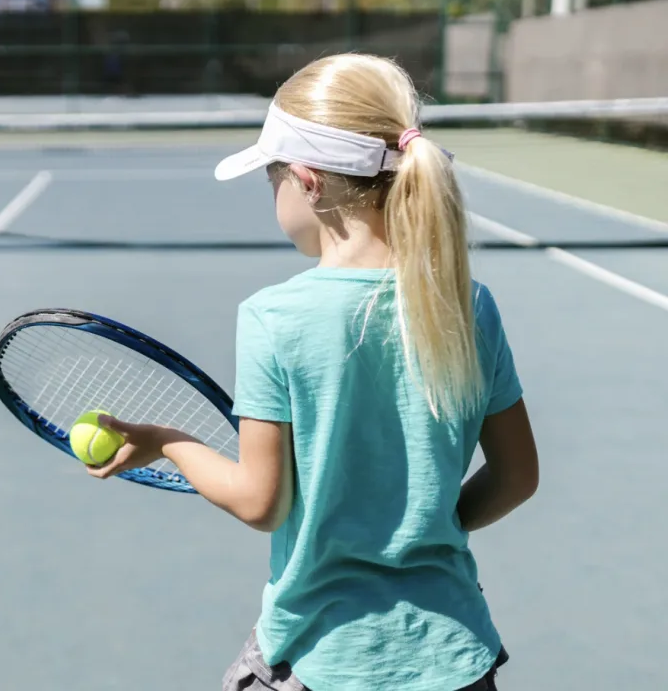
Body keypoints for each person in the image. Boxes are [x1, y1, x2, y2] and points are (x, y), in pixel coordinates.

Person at [86, 53, 540, 691]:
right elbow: (518, 477)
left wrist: (168, 442)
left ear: (308, 181)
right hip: (457, 659)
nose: (271, 190)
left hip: (323, 660)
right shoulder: (470, 304)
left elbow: (261, 501)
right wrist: (426, 528)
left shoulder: (274, 317)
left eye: (270, 175)